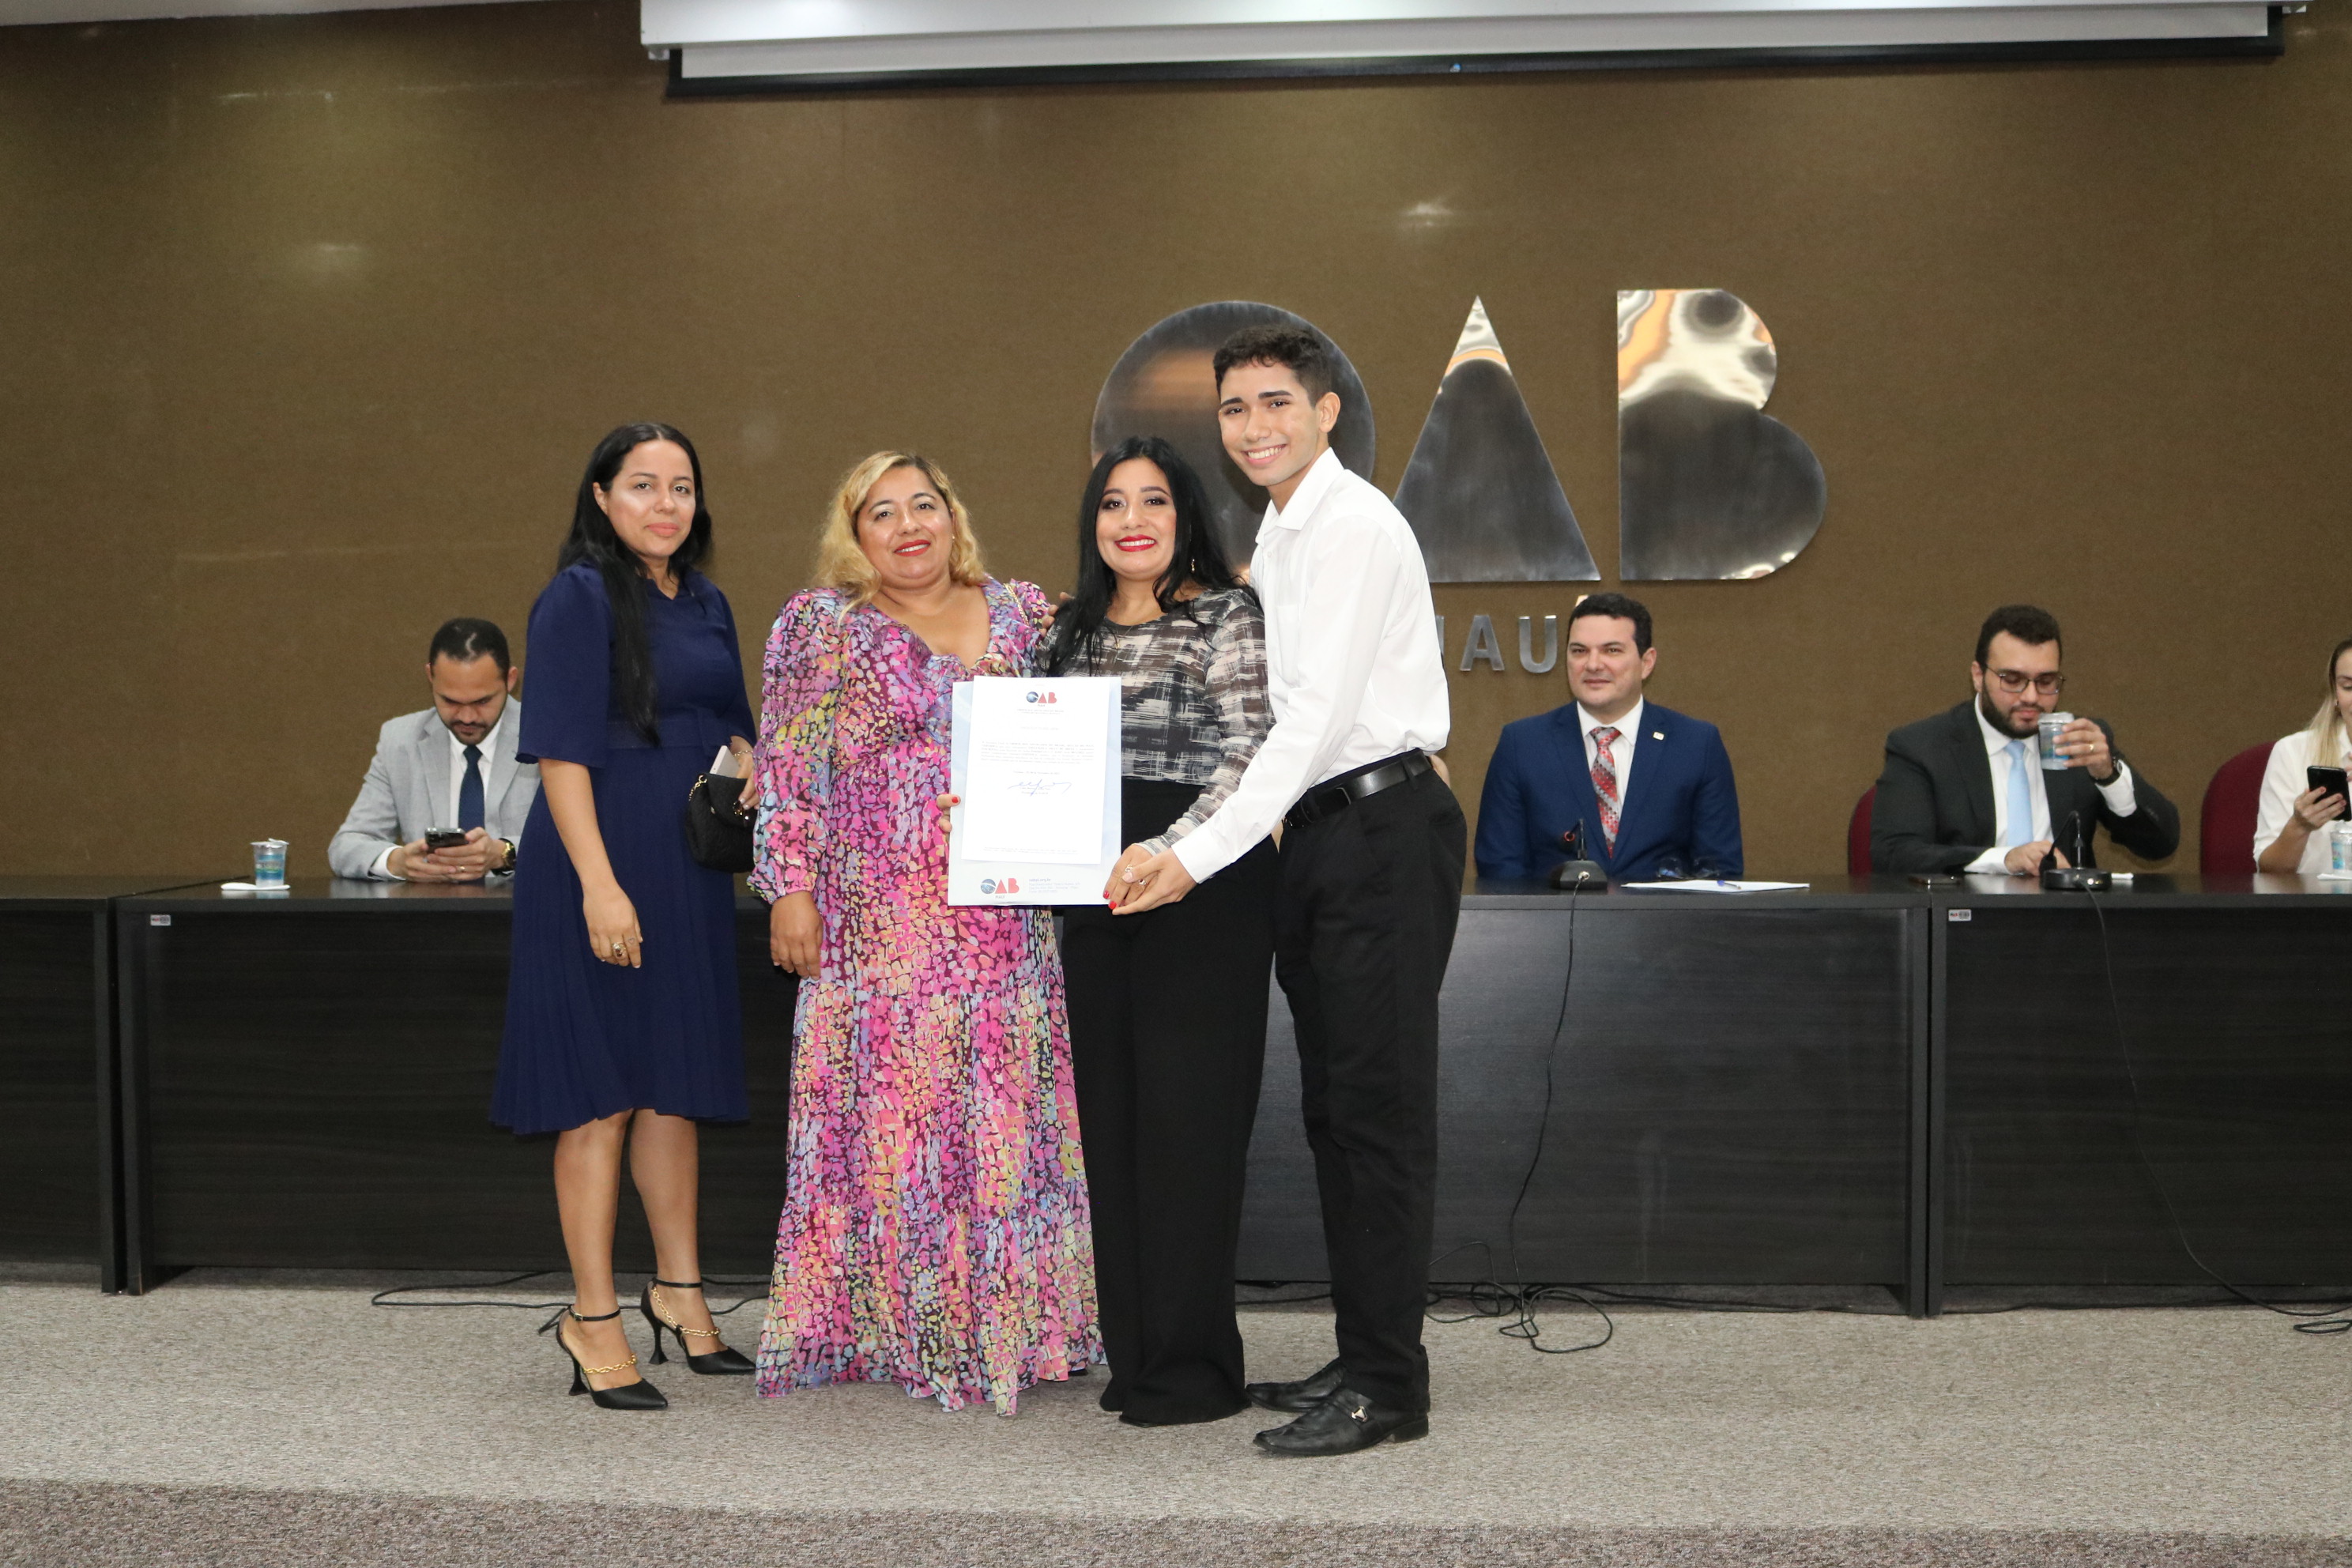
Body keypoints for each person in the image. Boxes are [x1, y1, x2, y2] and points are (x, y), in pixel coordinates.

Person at [1111, 326, 1461, 1458]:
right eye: (1235, 409)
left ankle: (1389, 1388)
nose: (1254, 427)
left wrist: (1193, 854)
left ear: (1326, 412)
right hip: (1322, 840)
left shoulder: (1352, 525)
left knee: (1377, 1119)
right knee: (1337, 1116)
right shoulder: (1283, 528)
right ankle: (1368, 1349)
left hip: (1377, 830)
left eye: (1276, 403)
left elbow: (1309, 723)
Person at [750, 450, 1099, 1415]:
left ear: (953, 516)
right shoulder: (820, 627)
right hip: (876, 930)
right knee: (890, 1124)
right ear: (853, 534)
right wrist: (789, 888)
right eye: (881, 513)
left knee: (1001, 1120)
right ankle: (892, 1325)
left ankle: (1014, 1325)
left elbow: (1075, 736)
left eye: (923, 505)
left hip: (1007, 926)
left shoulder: (1024, 614)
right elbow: (789, 765)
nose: (908, 526)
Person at [491, 423, 758, 1411]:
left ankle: (680, 1294)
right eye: (642, 485)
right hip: (596, 866)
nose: (665, 504)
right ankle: (593, 1316)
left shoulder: (707, 599)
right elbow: (562, 755)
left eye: (681, 486)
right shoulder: (579, 596)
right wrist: (600, 886)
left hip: (686, 872)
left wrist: (750, 760)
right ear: (601, 497)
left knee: (672, 1089)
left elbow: (734, 722)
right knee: (600, 1095)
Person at [1042, 435, 1275, 1428]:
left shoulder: (1228, 614)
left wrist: (1173, 852)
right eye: (1112, 503)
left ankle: (1192, 1369)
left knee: (1190, 1132)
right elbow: (1033, 764)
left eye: (1153, 501)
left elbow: (1254, 754)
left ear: (1186, 516)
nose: (1130, 520)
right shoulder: (1068, 632)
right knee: (1116, 1130)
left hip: (1202, 891)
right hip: (1095, 898)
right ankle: (1134, 1356)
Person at [1871, 603, 2180, 875]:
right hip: (1966, 915)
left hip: (2064, 916)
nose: (2031, 697)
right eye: (2012, 680)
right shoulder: (1922, 747)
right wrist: (2003, 860)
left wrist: (2108, 776)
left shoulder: (2077, 741)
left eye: (2046, 681)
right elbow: (1893, 855)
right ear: (1978, 676)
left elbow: (2159, 845)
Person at [1473, 593, 1742, 884]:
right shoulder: (1522, 745)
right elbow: (1500, 871)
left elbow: (1719, 871)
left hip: (1662, 914)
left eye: (1611, 650)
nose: (1593, 664)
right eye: (1579, 651)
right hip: (1554, 914)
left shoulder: (1696, 744)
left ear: (1647, 662)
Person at [326, 618, 537, 882]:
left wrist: (504, 854)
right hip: (431, 906)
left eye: (483, 701)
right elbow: (345, 846)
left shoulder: (545, 736)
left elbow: (572, 843)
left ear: (510, 680)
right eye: (450, 700)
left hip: (524, 905)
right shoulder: (400, 740)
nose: (467, 717)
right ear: (430, 677)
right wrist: (397, 862)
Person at [2254, 637, 2352, 874]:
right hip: (2318, 897)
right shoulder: (2293, 753)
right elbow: (2271, 871)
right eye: (2349, 687)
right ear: (2335, 693)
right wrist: (2299, 826)